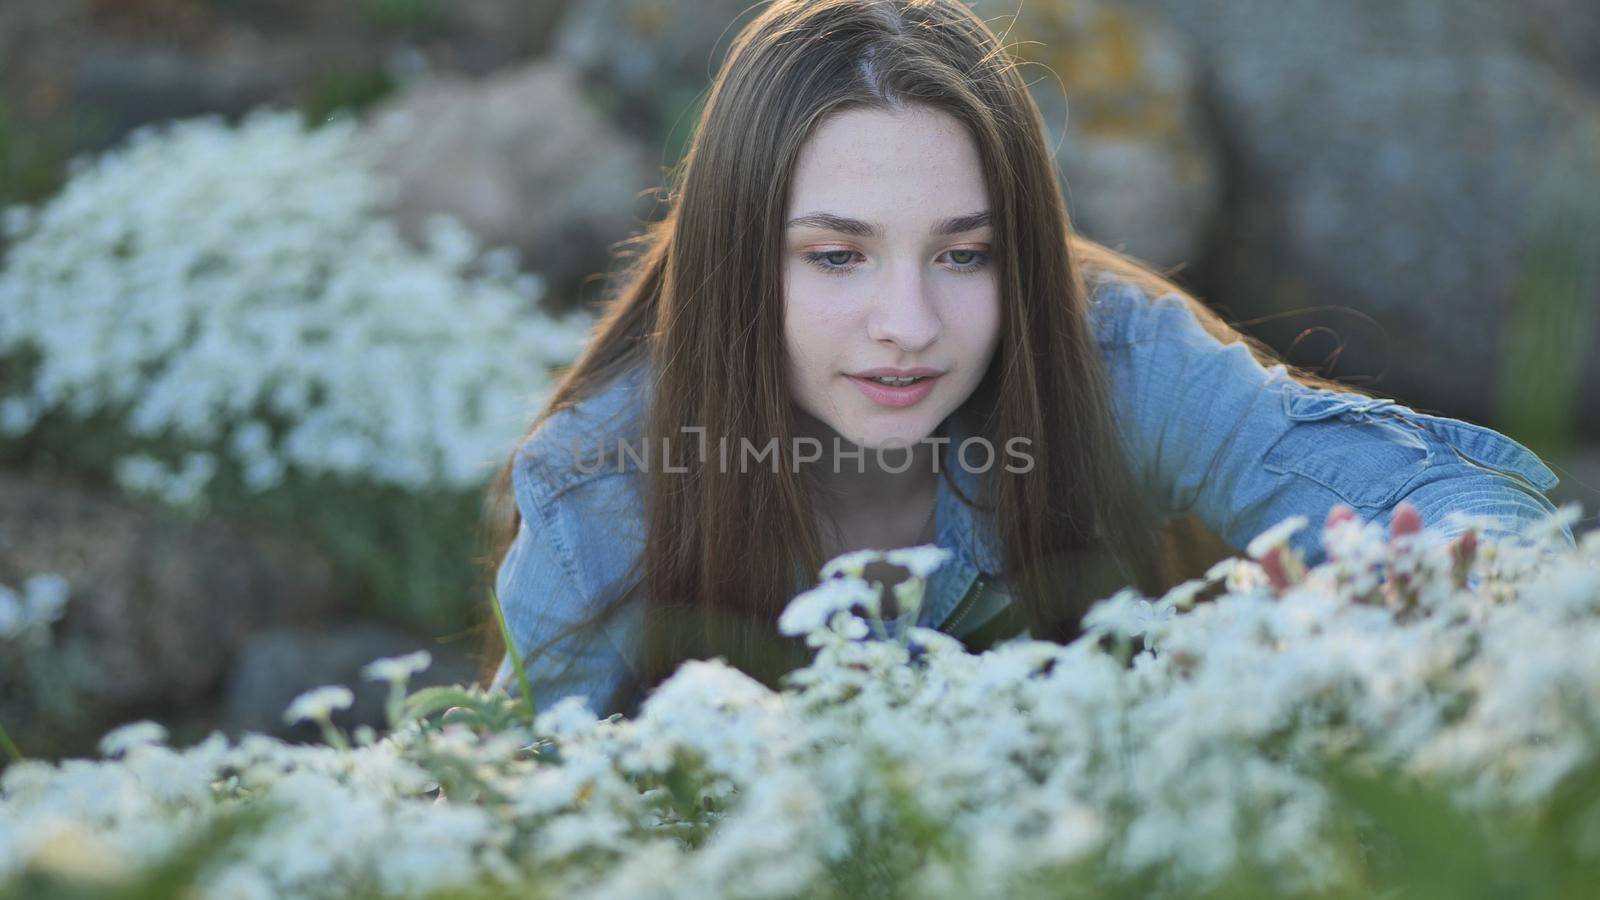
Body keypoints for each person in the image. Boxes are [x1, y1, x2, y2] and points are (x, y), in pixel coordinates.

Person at [474, 0, 1572, 720]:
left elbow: (1436, 497)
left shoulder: (1103, 351)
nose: (906, 322)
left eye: (963, 254)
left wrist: (1411, 578)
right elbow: (534, 828)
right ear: (733, 259)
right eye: (836, 256)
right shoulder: (600, 495)